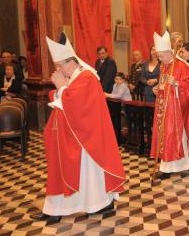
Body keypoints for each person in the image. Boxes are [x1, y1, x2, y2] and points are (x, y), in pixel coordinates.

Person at [32, 34, 126, 223]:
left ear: (70, 62)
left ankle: (100, 204)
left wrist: (61, 88)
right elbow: (68, 97)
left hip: (85, 137)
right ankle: (75, 206)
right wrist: (61, 89)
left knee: (89, 173)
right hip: (75, 134)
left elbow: (76, 103)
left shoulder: (86, 76)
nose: (58, 70)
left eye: (60, 65)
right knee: (80, 173)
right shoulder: (77, 76)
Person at [150, 31, 189, 177]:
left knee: (172, 134)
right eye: (159, 56)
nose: (160, 59)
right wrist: (158, 88)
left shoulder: (182, 66)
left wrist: (176, 83)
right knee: (164, 135)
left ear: (170, 53)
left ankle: (181, 166)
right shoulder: (164, 66)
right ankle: (165, 167)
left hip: (176, 109)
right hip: (164, 107)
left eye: (162, 56)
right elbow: (163, 85)